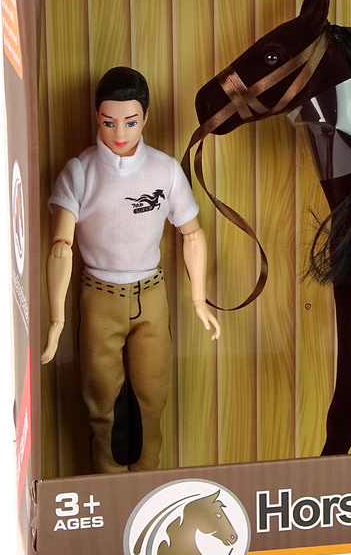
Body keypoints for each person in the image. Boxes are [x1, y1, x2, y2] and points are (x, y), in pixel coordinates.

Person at [41, 66, 219, 473]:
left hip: (151, 297)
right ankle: (109, 490)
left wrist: (199, 299)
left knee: (152, 399)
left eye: (131, 121)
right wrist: (56, 319)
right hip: (99, 298)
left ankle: (147, 488)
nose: (120, 132)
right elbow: (61, 247)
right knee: (102, 403)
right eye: (109, 122)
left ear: (146, 118)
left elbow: (192, 233)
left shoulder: (164, 170)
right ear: (97, 117)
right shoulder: (80, 172)